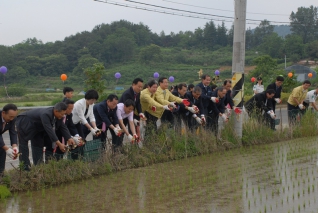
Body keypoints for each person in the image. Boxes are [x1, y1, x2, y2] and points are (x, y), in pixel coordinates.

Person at [17, 102, 75, 169]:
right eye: (62, 114)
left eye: (64, 114)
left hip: (38, 128)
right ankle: (25, 168)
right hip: (25, 122)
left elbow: (62, 126)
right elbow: (49, 129)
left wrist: (69, 138)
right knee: (23, 145)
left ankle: (39, 167)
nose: (62, 116)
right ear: (56, 111)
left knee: (38, 145)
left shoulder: (59, 115)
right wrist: (59, 143)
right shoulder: (46, 114)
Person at [0, 104, 18, 176]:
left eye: (13, 117)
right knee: (4, 148)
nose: (11, 119)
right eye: (10, 117)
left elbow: (13, 132)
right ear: (3, 113)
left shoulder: (12, 119)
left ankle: (1, 175)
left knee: (2, 151)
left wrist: (14, 146)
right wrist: (7, 148)